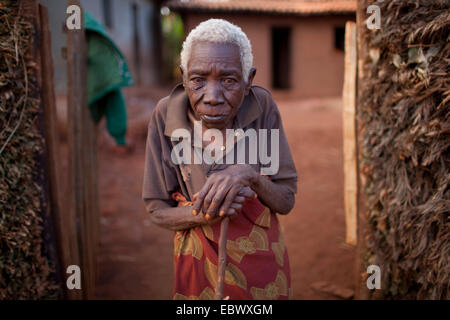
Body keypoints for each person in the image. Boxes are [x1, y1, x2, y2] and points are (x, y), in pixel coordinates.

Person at [142, 19, 298, 300]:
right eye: (198, 80)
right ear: (184, 75)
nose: (212, 97)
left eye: (228, 80)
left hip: (261, 271)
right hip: (197, 271)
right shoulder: (166, 116)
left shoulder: (262, 108)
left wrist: (249, 175)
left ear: (248, 80)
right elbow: (157, 209)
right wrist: (207, 212)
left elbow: (286, 200)